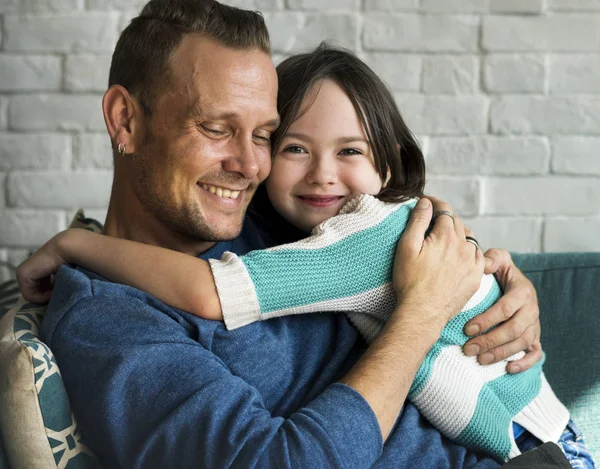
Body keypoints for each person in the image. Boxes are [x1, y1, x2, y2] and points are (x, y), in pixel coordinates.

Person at [16, 1, 573, 468]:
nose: (249, 165)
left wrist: (497, 276)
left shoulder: (265, 220)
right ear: (126, 120)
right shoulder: (110, 320)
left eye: (264, 136)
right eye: (216, 128)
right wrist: (422, 316)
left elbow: (396, 233)